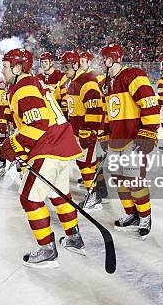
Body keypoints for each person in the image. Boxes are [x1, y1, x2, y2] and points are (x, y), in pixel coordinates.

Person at [0, 48, 85, 268]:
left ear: (18, 68)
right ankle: (73, 237)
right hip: (62, 145)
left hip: (48, 147)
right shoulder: (34, 83)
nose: (3, 70)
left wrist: (13, 144)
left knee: (29, 198)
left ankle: (47, 249)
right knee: (60, 195)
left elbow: (37, 125)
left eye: (6, 66)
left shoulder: (23, 88)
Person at [100, 44, 160, 239]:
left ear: (110, 60)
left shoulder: (133, 75)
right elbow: (108, 113)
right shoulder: (107, 83)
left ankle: (145, 216)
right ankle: (131, 214)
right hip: (117, 139)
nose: (102, 63)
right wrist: (105, 134)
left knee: (135, 180)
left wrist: (149, 132)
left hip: (134, 139)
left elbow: (150, 103)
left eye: (103, 59)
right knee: (119, 179)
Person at [60, 51, 105, 210]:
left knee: (86, 163)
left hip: (87, 131)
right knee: (86, 163)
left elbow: (94, 109)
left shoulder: (87, 81)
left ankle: (94, 196)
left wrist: (88, 131)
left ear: (75, 64)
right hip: (78, 131)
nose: (64, 70)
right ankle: (96, 193)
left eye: (66, 66)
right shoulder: (72, 82)